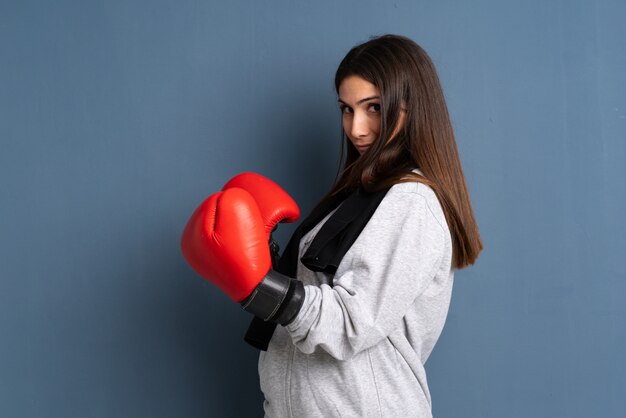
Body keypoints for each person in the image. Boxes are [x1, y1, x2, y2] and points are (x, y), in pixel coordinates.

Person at [181, 34, 482, 417]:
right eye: (346, 109)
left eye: (373, 108)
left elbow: (351, 323)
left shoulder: (410, 202)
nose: (356, 128)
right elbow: (315, 303)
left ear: (412, 107)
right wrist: (265, 260)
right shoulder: (356, 194)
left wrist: (260, 287)